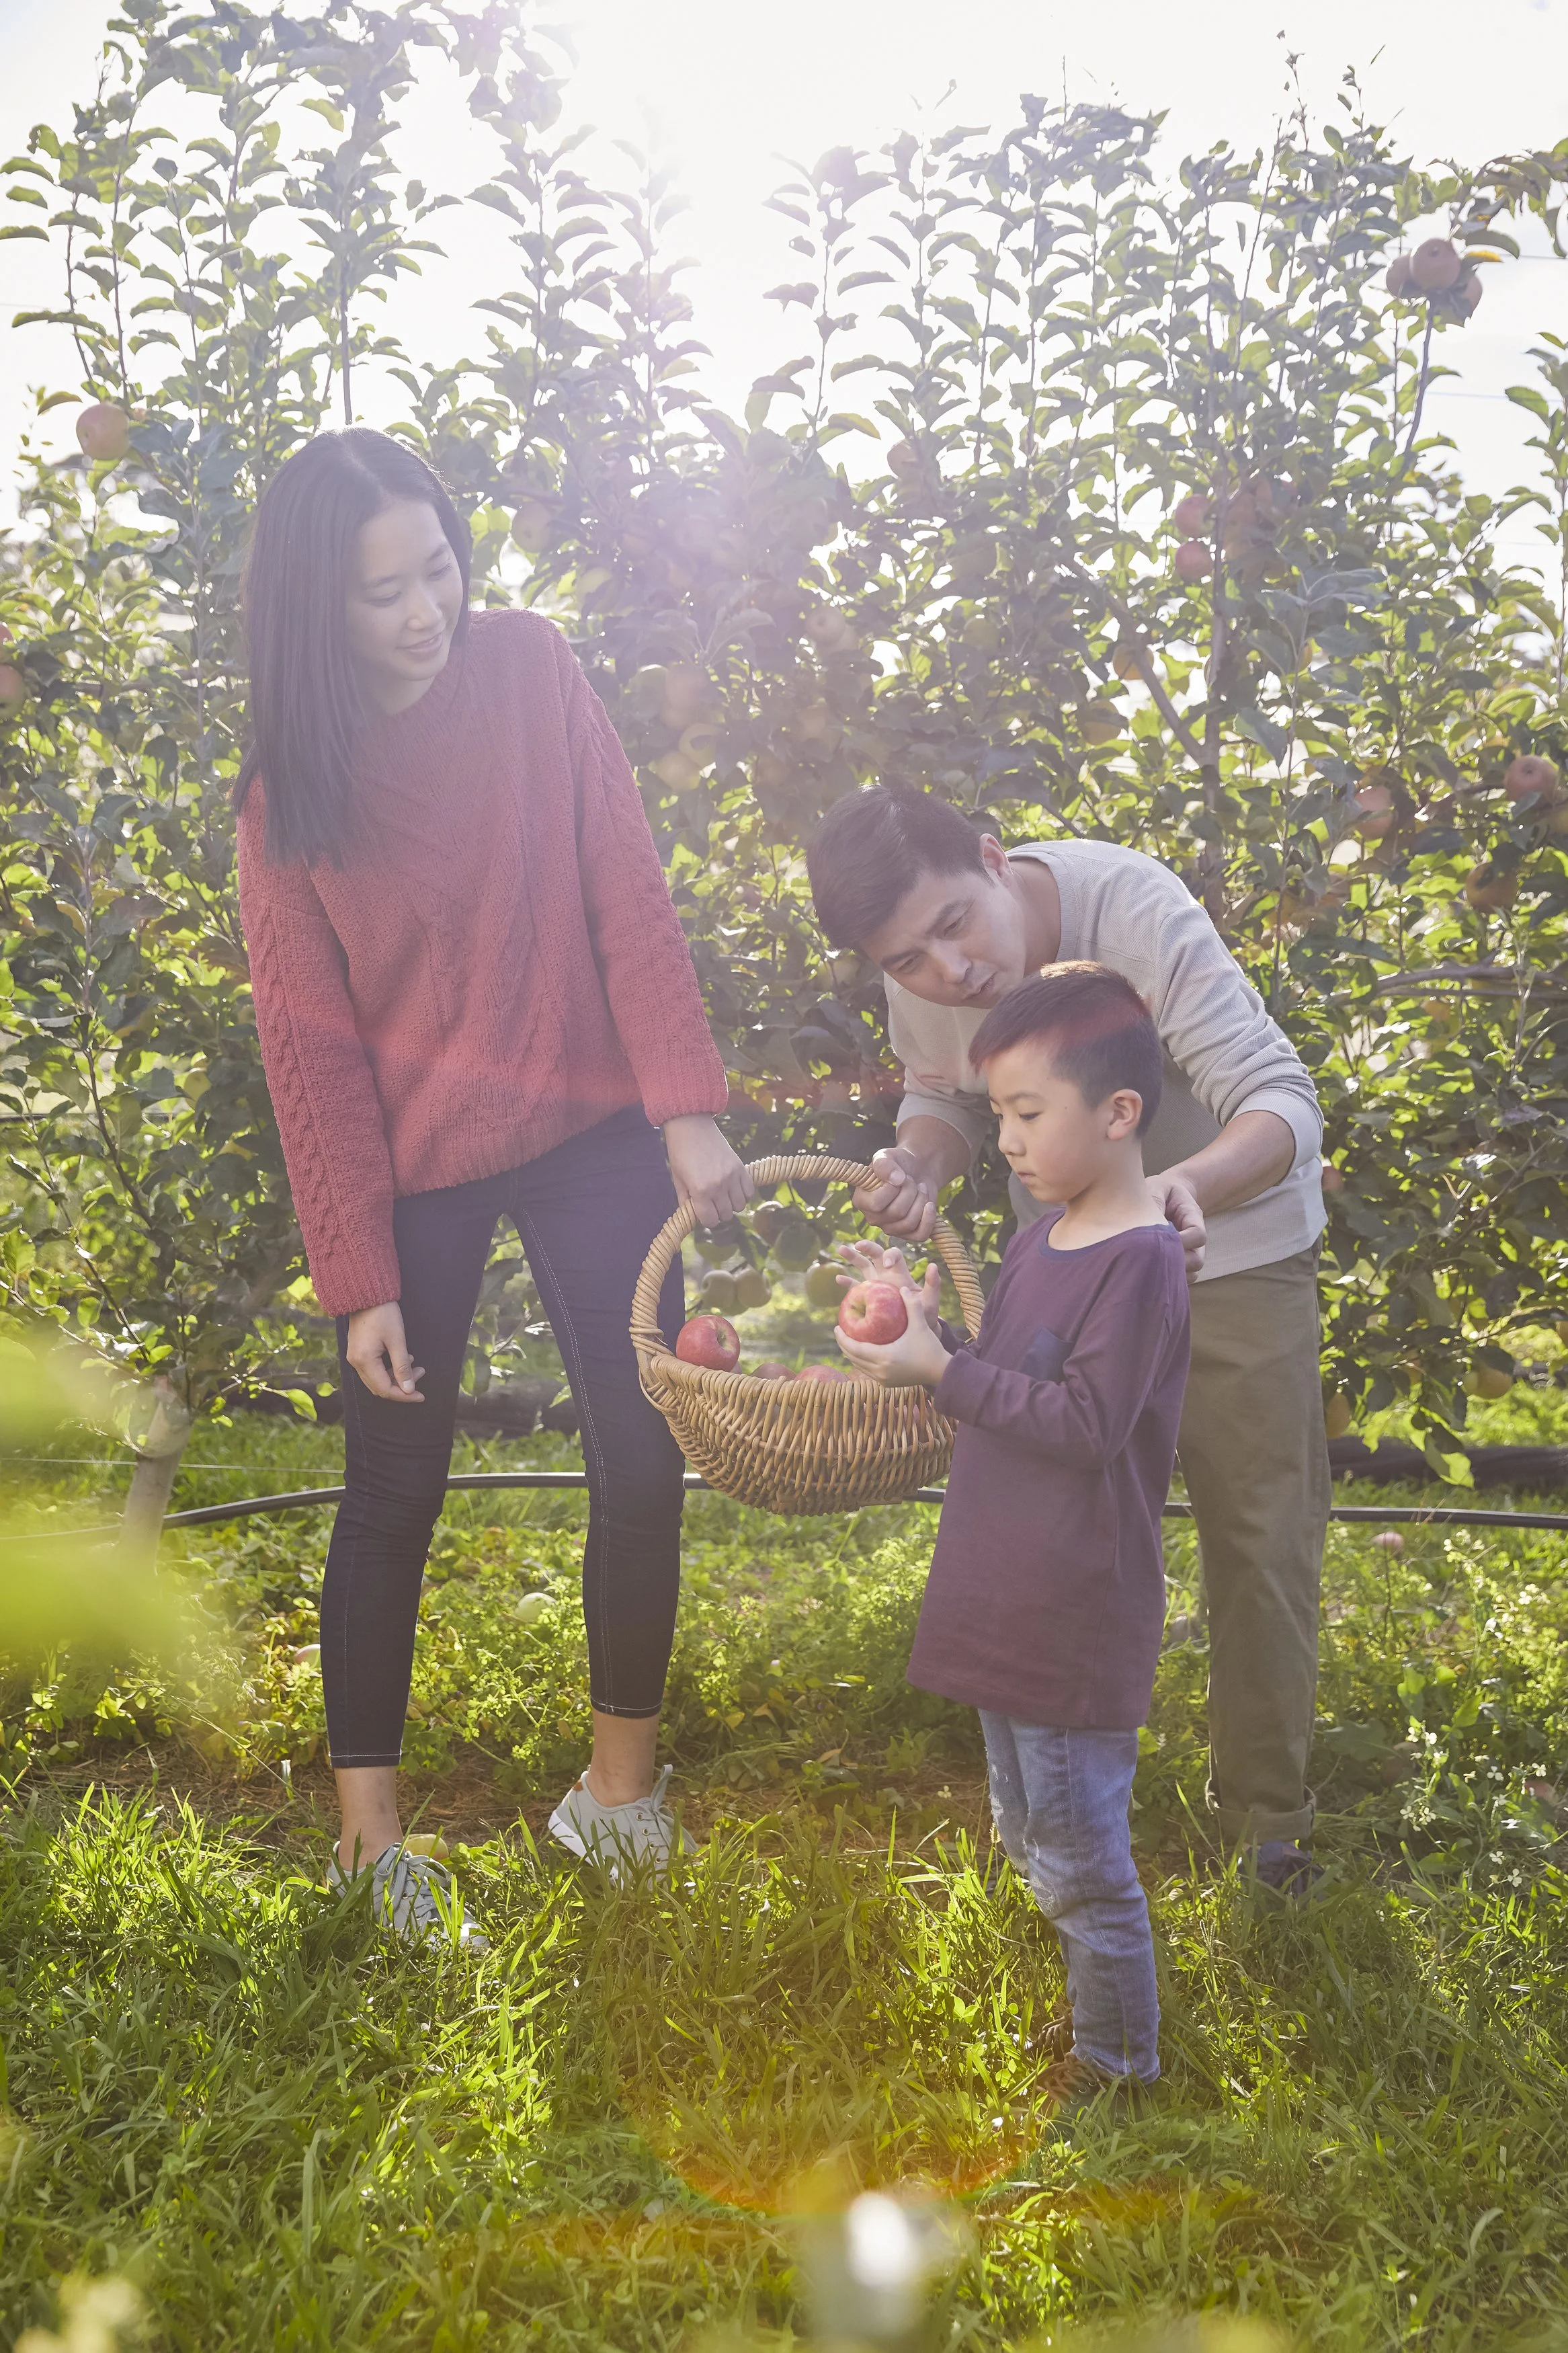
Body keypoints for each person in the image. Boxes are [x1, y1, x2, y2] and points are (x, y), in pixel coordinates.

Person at [235, 428, 751, 1946]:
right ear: (314, 610)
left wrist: (686, 1112)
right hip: (411, 1168)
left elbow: (624, 888)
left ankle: (617, 1798)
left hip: (590, 1119)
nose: (423, 611)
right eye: (381, 590)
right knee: (395, 1487)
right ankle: (370, 1846)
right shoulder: (293, 792)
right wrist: (359, 1277)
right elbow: (305, 1052)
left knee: (645, 1452)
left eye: (438, 568)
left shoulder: (530, 672)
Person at [806, 787, 1329, 1892]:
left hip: (1228, 1250)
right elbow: (943, 1098)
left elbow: (1282, 1101)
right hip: (1070, 1264)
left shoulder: (1133, 910)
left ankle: (1268, 1826)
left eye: (955, 925)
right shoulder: (928, 980)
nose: (948, 972)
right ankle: (1059, 1813)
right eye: (907, 962)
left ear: (996, 859)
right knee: (1050, 1514)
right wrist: (919, 1167)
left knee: (1259, 1534)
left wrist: (1171, 1191)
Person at [837, 965, 1190, 2097]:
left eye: (1029, 1115)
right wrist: (928, 1327)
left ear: (1119, 1113)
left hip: (1074, 1610)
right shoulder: (1045, 1240)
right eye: (998, 1117)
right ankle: (1085, 2012)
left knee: (1085, 1859)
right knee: (1029, 1829)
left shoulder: (1139, 1263)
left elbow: (1086, 1423)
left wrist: (942, 1373)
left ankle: (1119, 2066)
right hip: (1009, 1592)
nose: (1010, 1141)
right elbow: (1001, 1376)